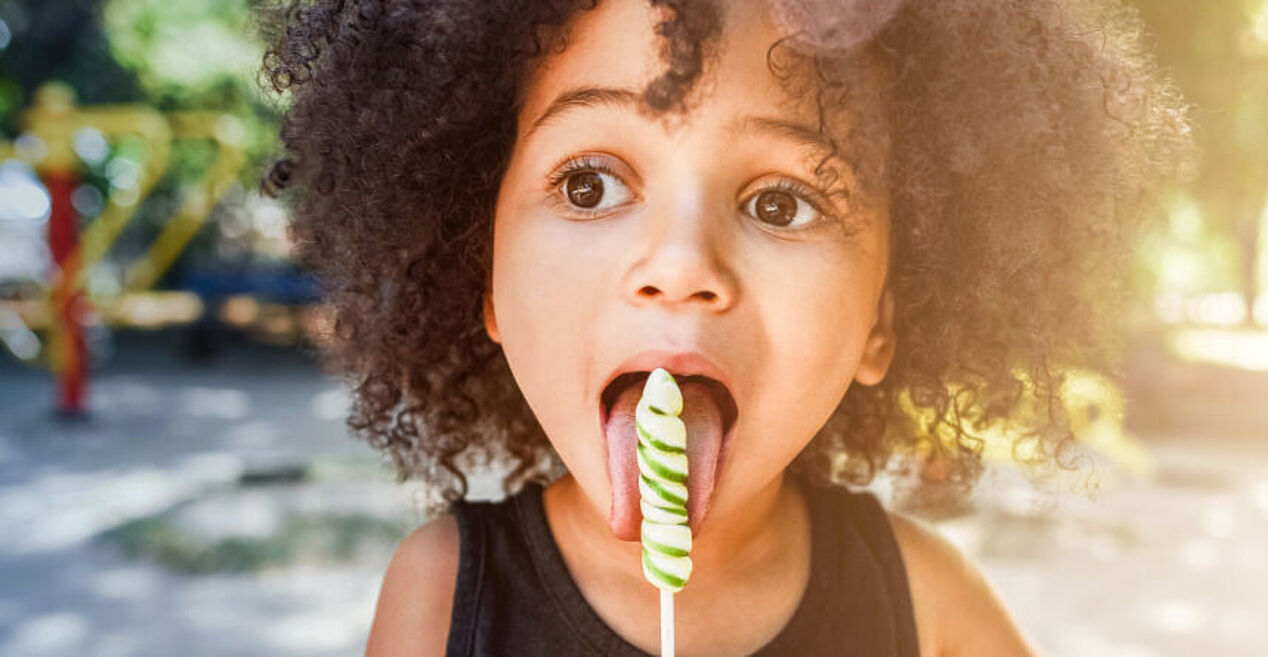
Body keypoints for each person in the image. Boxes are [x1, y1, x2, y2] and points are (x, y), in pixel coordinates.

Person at [258, 0, 1194, 654]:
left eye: (782, 203)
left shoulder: (927, 604)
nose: (680, 266)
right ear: (485, 278)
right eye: (589, 185)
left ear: (885, 319)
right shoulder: (443, 597)